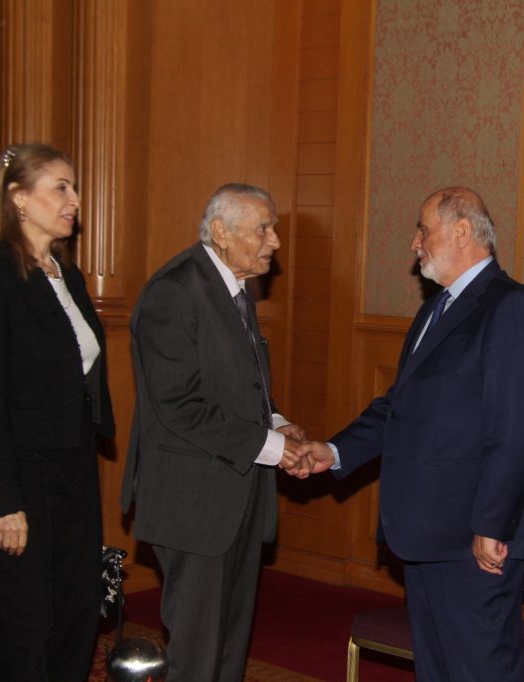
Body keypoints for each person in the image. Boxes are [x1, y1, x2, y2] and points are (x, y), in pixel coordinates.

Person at [296, 187, 524, 681]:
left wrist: (492, 525)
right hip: (429, 531)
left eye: (423, 229)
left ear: (462, 231)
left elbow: (517, 431)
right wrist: (334, 451)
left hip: (475, 539)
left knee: (479, 672)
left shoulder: (510, 307)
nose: (415, 243)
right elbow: (399, 408)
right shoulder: (436, 309)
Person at [120, 183, 306, 681]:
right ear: (221, 232)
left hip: (236, 493)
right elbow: (179, 405)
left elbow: (238, 386)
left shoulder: (233, 289)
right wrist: (273, 447)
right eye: (263, 229)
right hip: (194, 504)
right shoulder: (174, 291)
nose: (275, 242)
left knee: (228, 647)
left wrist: (277, 422)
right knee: (198, 655)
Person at [0, 143, 115, 681]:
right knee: (25, 622)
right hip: (20, 474)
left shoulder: (66, 274)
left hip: (73, 465)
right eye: (61, 187)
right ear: (18, 198)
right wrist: (4, 503)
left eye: (75, 187)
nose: (76, 200)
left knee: (76, 609)